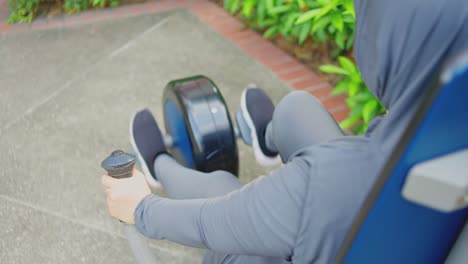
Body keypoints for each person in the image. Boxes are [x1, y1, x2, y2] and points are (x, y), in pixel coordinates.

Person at [101, 1, 468, 263]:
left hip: (329, 217)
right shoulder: (446, 134)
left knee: (220, 188)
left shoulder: (330, 179)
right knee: (297, 108)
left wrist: (139, 207)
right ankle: (268, 140)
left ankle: (157, 164)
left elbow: (209, 222)